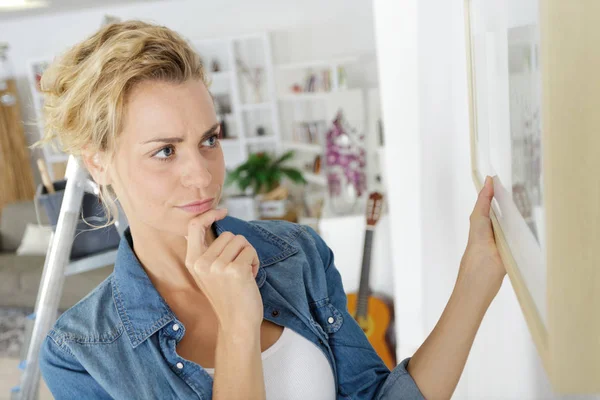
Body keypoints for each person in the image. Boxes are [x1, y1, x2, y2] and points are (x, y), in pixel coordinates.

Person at [37, 20, 506, 400]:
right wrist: (239, 325)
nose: (202, 175)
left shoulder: (296, 254)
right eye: (165, 151)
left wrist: (477, 277)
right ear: (98, 161)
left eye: (209, 140)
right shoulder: (81, 354)